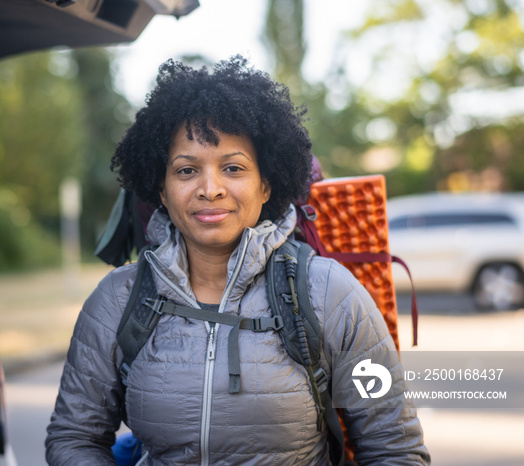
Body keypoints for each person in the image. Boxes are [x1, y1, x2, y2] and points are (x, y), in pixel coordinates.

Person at [45, 56, 430, 465]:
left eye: (232, 168)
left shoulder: (330, 293)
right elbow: (74, 438)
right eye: (187, 170)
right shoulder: (116, 300)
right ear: (161, 189)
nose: (210, 189)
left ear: (266, 185)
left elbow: (395, 449)